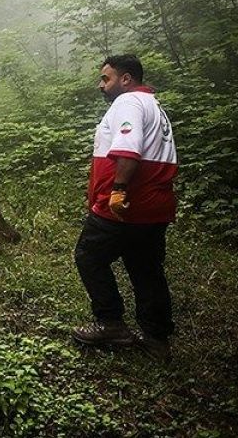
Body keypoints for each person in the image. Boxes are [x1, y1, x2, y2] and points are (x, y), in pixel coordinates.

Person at [71, 54, 178, 361]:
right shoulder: (151, 103)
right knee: (146, 268)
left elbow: (129, 150)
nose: (100, 85)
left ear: (126, 79)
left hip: (125, 206)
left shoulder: (128, 103)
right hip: (153, 206)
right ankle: (156, 338)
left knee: (89, 255)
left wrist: (117, 191)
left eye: (106, 79)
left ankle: (110, 323)